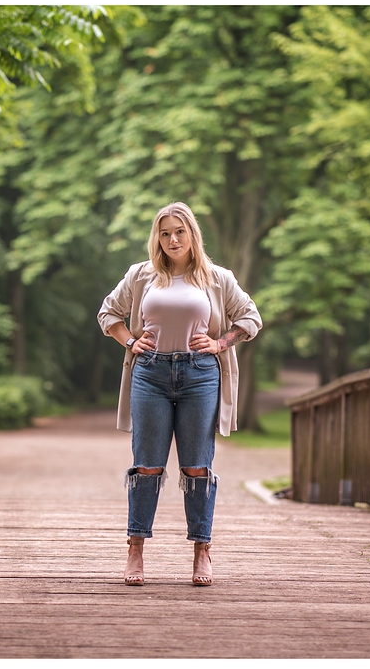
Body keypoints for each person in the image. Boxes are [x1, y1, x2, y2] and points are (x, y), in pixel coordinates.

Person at [97, 201, 262, 586]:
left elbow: (251, 318)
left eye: (179, 232)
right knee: (147, 465)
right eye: (165, 233)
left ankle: (202, 551)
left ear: (192, 234)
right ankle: (135, 551)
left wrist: (222, 343)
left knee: (197, 467)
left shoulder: (217, 278)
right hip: (150, 374)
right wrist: (130, 341)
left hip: (200, 375)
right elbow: (109, 313)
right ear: (158, 237)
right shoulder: (141, 275)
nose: (172, 240)